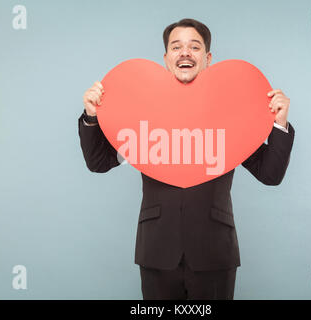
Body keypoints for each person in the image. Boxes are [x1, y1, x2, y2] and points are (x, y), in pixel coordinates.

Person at [78, 18, 295, 300]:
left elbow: (270, 175)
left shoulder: (229, 117)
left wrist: (279, 123)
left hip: (215, 251)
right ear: (166, 58)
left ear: (207, 59)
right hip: (156, 250)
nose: (185, 53)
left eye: (194, 47)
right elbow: (98, 161)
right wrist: (92, 116)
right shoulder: (142, 116)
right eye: (176, 47)